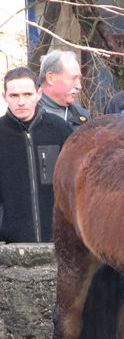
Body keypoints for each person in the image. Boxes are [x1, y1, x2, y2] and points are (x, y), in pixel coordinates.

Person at [0, 67, 73, 243]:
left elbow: (74, 183)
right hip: (10, 243)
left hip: (59, 239)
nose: (21, 102)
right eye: (14, 96)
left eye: (27, 94)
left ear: (39, 94)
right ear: (4, 97)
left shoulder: (60, 129)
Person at [38, 50, 90, 128]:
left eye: (79, 78)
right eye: (74, 78)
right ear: (50, 78)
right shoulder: (26, 113)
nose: (79, 86)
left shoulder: (82, 116)